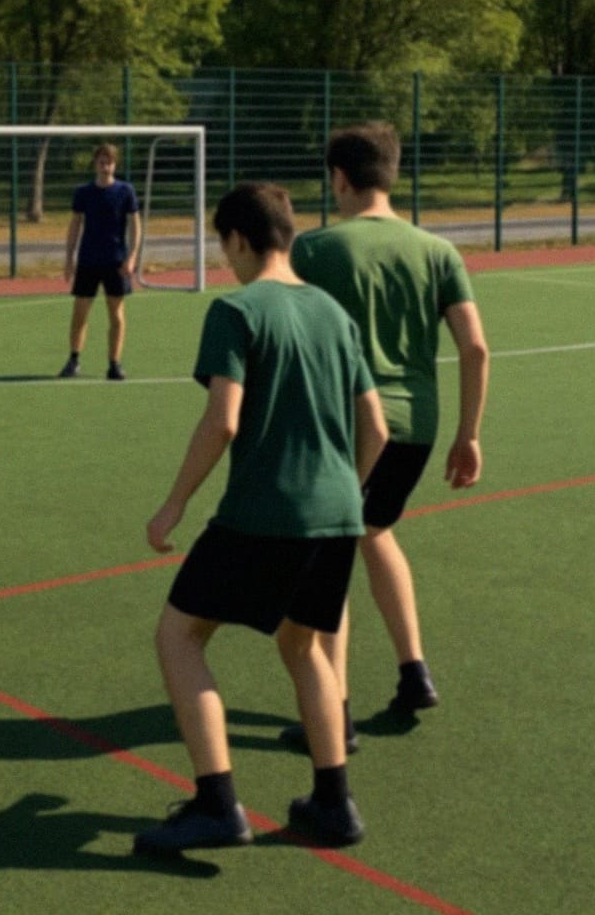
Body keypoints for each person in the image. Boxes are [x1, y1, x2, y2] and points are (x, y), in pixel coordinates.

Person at [133, 183, 387, 857]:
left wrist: (173, 504)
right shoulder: (333, 312)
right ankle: (334, 802)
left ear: (240, 240)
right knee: (304, 647)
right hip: (339, 514)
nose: (227, 260)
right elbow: (377, 428)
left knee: (179, 636)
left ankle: (217, 803)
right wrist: (344, 494)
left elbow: (223, 419)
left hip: (265, 512)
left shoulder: (237, 310)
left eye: (225, 247)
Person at [282, 121, 490, 752]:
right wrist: (469, 435)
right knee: (375, 531)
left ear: (340, 178)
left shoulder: (315, 249)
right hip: (417, 427)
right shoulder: (438, 251)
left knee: (331, 558)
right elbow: (475, 348)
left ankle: (334, 713)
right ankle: (413, 670)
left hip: (347, 424)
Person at [59, 142, 143, 381]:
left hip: (115, 261)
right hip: (88, 260)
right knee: (80, 312)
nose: (105, 166)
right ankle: (74, 359)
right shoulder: (83, 192)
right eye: (101, 161)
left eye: (109, 162)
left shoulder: (125, 191)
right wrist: (69, 258)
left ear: (115, 164)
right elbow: (75, 226)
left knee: (116, 315)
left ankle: (114, 364)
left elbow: (135, 225)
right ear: (95, 164)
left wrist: (132, 257)